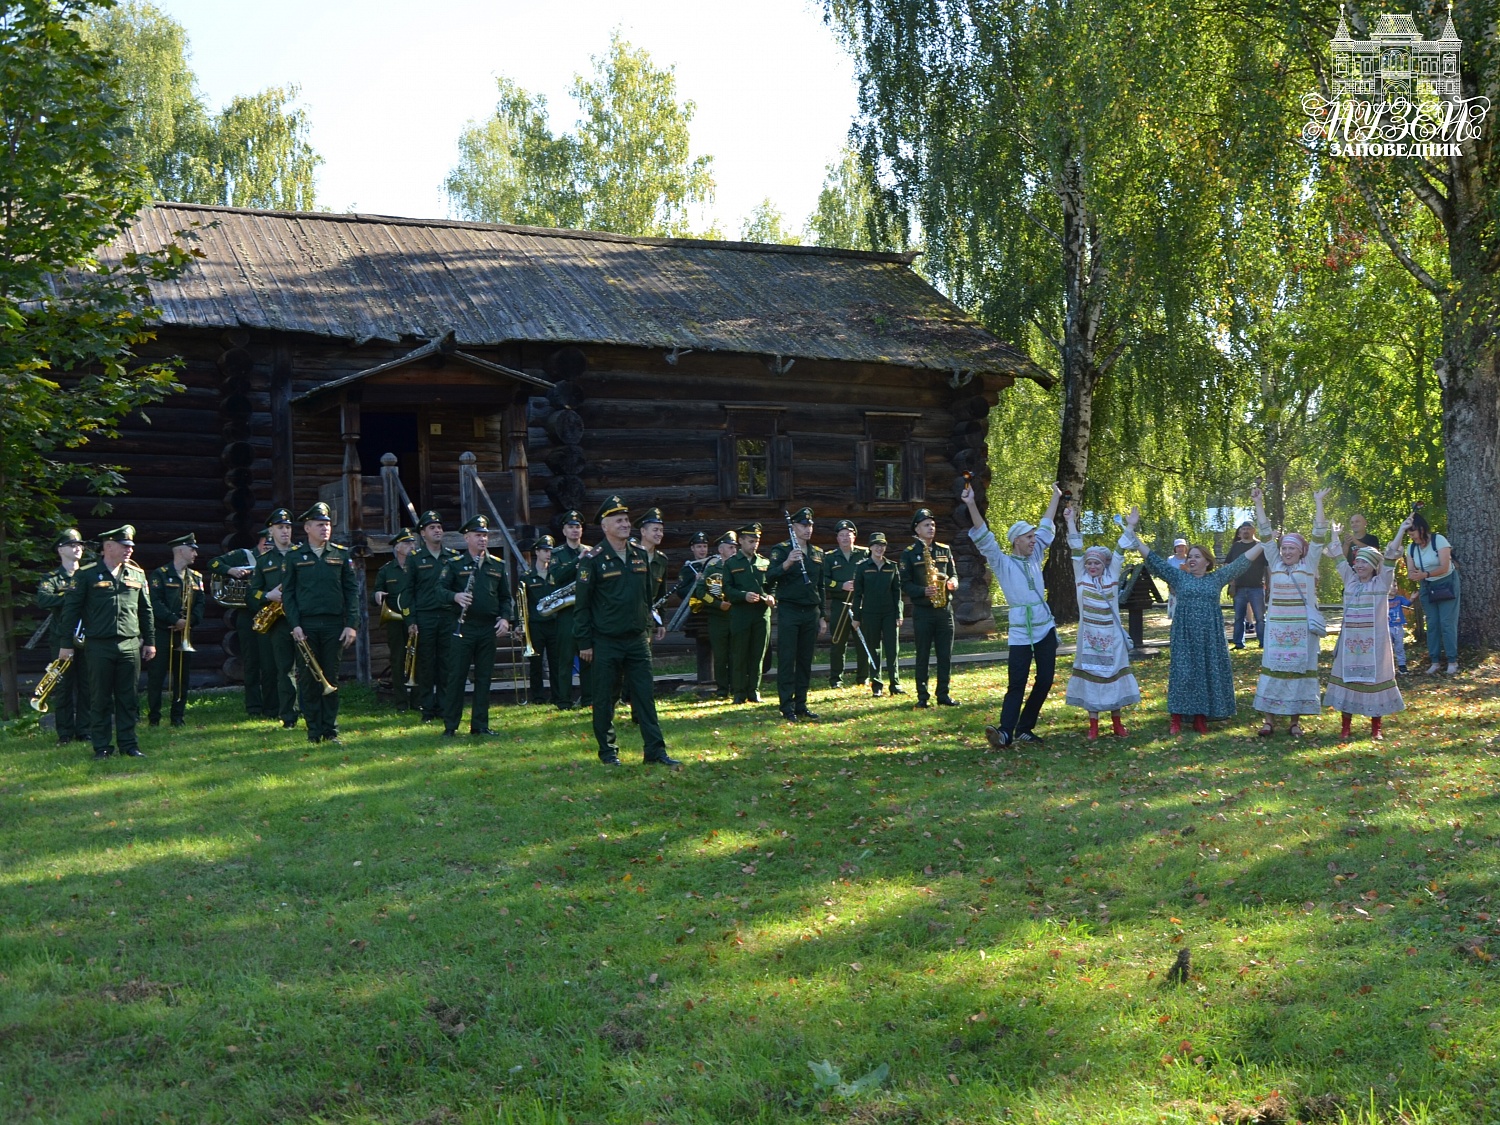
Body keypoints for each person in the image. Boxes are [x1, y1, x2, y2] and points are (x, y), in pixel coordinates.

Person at [1121, 504, 1267, 734]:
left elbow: (1242, 562)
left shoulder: (1217, 578)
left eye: (1197, 557)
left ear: (1207, 562)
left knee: (1206, 671)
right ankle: (1176, 718)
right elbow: (1154, 560)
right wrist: (1133, 533)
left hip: (1210, 633)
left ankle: (1201, 716)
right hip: (1185, 632)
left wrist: (1265, 542)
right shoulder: (1178, 577)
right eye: (1190, 556)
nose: (1191, 559)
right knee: (1183, 671)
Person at [574, 496, 678, 768]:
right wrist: (585, 642)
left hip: (636, 641)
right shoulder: (593, 560)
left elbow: (647, 597)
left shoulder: (639, 554)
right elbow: (582, 606)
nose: (625, 524)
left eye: (626, 520)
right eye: (618, 520)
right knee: (605, 698)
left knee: (645, 696)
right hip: (605, 641)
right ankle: (608, 752)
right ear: (605, 526)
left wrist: (648, 627)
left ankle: (655, 751)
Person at [962, 484, 1061, 745]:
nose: (1033, 541)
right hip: (1020, 632)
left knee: (1046, 679)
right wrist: (972, 503)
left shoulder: (1035, 556)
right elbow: (984, 537)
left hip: (1045, 628)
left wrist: (1055, 496)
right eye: (1029, 537)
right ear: (1016, 540)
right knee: (1017, 683)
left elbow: (1047, 524)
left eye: (1033, 537)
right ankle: (1005, 733)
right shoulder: (1002, 562)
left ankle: (1025, 728)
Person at [58, 525, 155, 759]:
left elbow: (146, 610)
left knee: (128, 698)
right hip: (98, 645)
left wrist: (150, 641)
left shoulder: (136, 574)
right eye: (125, 546)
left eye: (131, 546)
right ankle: (101, 746)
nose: (129, 550)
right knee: (99, 698)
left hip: (130, 644)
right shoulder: (86, 575)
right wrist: (66, 644)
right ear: (108, 546)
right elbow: (71, 611)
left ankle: (129, 745)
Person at [1252, 487, 1331, 737]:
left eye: (1291, 549)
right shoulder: (1274, 562)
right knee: (1273, 670)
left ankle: (1295, 722)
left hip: (1302, 629)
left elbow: (1319, 534)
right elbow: (1265, 534)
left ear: (1300, 551)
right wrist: (1259, 503)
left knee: (1299, 671)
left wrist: (1318, 502)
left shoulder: (1309, 565)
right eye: (1284, 548)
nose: (1286, 552)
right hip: (1276, 627)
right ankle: (1268, 721)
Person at [1323, 520, 1408, 741]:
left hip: (1375, 643)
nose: (1359, 565)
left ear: (1372, 566)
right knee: (1348, 680)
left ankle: (1376, 727)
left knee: (1375, 680)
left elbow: (1389, 558)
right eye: (1357, 562)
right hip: (1350, 643)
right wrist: (1334, 534)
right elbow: (1339, 558)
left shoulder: (1381, 585)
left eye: (1364, 562)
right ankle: (1345, 726)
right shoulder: (1350, 582)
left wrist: (1400, 530)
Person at [283, 502, 358, 745]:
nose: (325, 529)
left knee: (331, 678)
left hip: (335, 625)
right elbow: (289, 595)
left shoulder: (340, 554)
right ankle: (314, 731)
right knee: (308, 679)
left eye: (327, 524)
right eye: (320, 525)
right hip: (306, 626)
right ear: (307, 527)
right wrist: (294, 624)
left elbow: (352, 592)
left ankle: (331, 730)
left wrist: (352, 624)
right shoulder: (295, 557)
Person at [1062, 502, 1139, 740]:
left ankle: (1117, 723)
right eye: (1089, 563)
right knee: (1093, 680)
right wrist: (1069, 521)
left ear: (1104, 565)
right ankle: (1093, 724)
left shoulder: (1112, 577)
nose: (1092, 566)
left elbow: (1119, 551)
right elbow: (1075, 549)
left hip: (1112, 639)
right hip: (1088, 638)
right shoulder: (1081, 578)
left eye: (1096, 563)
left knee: (1113, 677)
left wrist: (1130, 525)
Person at [440, 515, 512, 736]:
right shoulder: (454, 565)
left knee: (484, 678)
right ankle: (451, 726)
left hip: (487, 628)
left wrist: (505, 619)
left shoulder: (497, 565)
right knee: (457, 677)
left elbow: (505, 598)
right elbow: (438, 591)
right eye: (478, 535)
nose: (482, 539)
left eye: (485, 535)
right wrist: (455, 596)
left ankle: (480, 725)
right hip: (463, 627)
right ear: (467, 537)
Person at [768, 508, 829, 722]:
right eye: (803, 525)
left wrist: (822, 615)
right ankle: (786, 706)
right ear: (793, 527)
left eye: (810, 525)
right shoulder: (781, 550)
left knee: (805, 659)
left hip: (810, 611)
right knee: (787, 658)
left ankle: (801, 704)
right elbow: (769, 578)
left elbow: (820, 586)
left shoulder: (818, 553)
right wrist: (786, 564)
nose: (807, 529)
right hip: (789, 610)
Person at [401, 510, 461, 721]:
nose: (437, 530)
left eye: (439, 527)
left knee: (447, 663)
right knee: (426, 664)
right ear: (423, 533)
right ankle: (427, 708)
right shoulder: (415, 559)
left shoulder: (452, 557)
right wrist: (411, 620)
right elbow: (407, 591)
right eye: (432, 528)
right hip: (424, 618)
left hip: (447, 617)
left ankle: (444, 706)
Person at [34, 528, 90, 744]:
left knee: (86, 685)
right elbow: (44, 599)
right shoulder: (52, 578)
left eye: (80, 545)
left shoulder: (88, 575)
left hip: (86, 637)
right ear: (60, 550)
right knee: (64, 686)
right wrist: (71, 597)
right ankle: (65, 733)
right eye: (72, 545)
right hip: (61, 638)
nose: (78, 548)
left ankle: (84, 730)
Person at [901, 507, 961, 709]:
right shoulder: (909, 554)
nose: (931, 528)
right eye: (926, 525)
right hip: (923, 611)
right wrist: (921, 591)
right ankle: (922, 696)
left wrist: (952, 583)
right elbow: (904, 583)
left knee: (945, 655)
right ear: (917, 529)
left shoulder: (944, 549)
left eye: (933, 525)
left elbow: (954, 574)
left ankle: (943, 694)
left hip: (944, 610)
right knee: (923, 655)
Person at [207, 530, 271, 718]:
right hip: (248, 615)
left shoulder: (277, 558)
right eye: (266, 542)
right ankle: (253, 707)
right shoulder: (244, 555)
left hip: (271, 614)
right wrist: (230, 570)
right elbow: (213, 563)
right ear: (259, 541)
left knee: (269, 663)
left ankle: (271, 705)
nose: (268, 546)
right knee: (251, 662)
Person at [247, 509, 301, 729]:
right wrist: (268, 595)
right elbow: (252, 593)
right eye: (280, 528)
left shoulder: (301, 553)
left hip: (304, 619)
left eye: (288, 527)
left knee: (307, 668)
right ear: (271, 531)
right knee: (284, 670)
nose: (285, 531)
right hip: (278, 622)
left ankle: (310, 710)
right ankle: (288, 716)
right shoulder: (264, 561)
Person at [146, 533, 205, 728]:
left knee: (182, 677)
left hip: (184, 634)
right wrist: (174, 619)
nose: (195, 553)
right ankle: (154, 717)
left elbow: (200, 605)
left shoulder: (196, 577)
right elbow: (155, 603)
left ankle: (177, 717)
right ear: (180, 550)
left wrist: (189, 622)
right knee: (157, 675)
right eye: (192, 549)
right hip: (163, 633)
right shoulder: (160, 574)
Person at [724, 523, 775, 705]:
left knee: (758, 654)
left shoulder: (764, 562)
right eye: (751, 541)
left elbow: (772, 586)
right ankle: (739, 692)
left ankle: (754, 691)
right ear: (741, 541)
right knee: (740, 654)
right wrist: (742, 596)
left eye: (757, 541)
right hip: (741, 614)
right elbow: (727, 589)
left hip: (761, 614)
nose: (754, 545)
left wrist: (771, 597)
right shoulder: (731, 563)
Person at [1405, 509, 1459, 674]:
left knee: (1447, 623)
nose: (1411, 536)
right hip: (1427, 586)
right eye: (1409, 534)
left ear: (1421, 528)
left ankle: (1452, 661)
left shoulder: (1439, 540)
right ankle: (1435, 661)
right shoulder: (1411, 548)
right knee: (1433, 624)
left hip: (1446, 584)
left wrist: (1425, 574)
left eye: (1413, 532)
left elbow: (1444, 566)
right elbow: (1410, 570)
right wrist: (1414, 575)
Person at [852, 532, 903, 697]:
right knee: (874, 649)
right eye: (876, 545)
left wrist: (899, 613)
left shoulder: (892, 566)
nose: (879, 548)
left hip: (889, 613)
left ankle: (895, 684)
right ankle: (877, 685)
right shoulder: (862, 567)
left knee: (892, 649)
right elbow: (857, 594)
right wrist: (857, 617)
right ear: (870, 547)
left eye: (882, 545)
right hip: (870, 613)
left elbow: (897, 593)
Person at [524, 535, 571, 704]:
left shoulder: (556, 575)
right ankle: (537, 697)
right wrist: (520, 625)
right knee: (535, 664)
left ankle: (557, 696)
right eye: (545, 550)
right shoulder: (527, 576)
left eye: (550, 551)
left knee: (556, 662)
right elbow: (522, 602)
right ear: (537, 552)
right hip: (535, 625)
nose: (548, 554)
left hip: (554, 623)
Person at [548, 510, 587, 709]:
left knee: (589, 656)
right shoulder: (556, 554)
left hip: (586, 610)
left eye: (578, 526)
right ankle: (564, 701)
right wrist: (576, 562)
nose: (574, 530)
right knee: (564, 658)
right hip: (566, 612)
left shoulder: (590, 551)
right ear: (564, 530)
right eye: (571, 527)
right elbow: (556, 577)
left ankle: (589, 698)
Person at [825, 519, 870, 688]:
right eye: (841, 535)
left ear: (854, 537)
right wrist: (840, 585)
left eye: (848, 535)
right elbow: (823, 580)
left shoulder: (864, 554)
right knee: (838, 643)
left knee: (863, 641)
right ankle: (836, 679)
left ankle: (863, 677)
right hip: (840, 604)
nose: (845, 538)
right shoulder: (829, 557)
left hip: (860, 604)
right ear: (837, 538)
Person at [373, 528, 416, 707]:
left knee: (417, 658)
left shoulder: (417, 566)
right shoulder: (386, 570)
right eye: (407, 543)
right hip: (395, 621)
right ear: (398, 547)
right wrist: (376, 595)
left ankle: (417, 700)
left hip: (414, 619)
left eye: (412, 543)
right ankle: (401, 701)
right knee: (398, 659)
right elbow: (375, 590)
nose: (411, 546)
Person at [667, 531, 713, 685]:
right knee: (704, 646)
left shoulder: (713, 564)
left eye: (704, 546)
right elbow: (681, 591)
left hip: (713, 611)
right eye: (699, 546)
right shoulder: (688, 569)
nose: (702, 550)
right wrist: (695, 583)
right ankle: (705, 679)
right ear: (692, 548)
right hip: (697, 614)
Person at [695, 530, 737, 697]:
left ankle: (737, 687)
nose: (734, 550)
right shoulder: (712, 568)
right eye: (730, 547)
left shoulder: (740, 566)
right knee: (720, 656)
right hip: (718, 618)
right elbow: (700, 592)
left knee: (736, 654)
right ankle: (722, 689)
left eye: (735, 547)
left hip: (736, 617)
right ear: (721, 550)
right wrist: (718, 605)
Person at [1224, 520, 1268, 649]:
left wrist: (1269, 584)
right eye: (1243, 529)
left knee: (1260, 618)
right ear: (1240, 532)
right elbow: (1227, 564)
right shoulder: (1236, 546)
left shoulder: (1260, 546)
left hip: (1257, 587)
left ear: (1253, 530)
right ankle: (1238, 643)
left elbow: (1267, 567)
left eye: (1248, 529)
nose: (1245, 531)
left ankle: (1263, 642)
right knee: (1239, 618)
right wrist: (1230, 580)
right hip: (1239, 587)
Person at [1388, 583, 1413, 675]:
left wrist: (1413, 598)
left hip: (1398, 627)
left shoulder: (1399, 598)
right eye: (1391, 586)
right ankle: (1388, 667)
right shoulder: (1382, 600)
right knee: (1387, 648)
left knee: (1399, 647)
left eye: (1395, 586)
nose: (1394, 588)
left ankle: (1402, 666)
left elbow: (1407, 603)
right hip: (1386, 627)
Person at [1165, 538, 1189, 622]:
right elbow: (1167, 574)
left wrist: (1186, 569)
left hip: (1187, 588)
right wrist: (1170, 586)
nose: (1180, 549)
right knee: (1175, 614)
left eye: (1182, 546)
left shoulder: (1189, 559)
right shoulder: (1170, 559)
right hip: (1174, 587)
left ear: (1186, 548)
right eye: (1178, 547)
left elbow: (1194, 574)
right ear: (1175, 548)